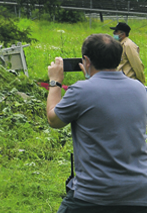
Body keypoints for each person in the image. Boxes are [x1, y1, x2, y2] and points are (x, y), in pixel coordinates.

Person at [47, 34, 147, 212]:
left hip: (94, 194)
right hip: (139, 193)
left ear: (86, 60)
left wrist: (55, 83)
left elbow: (54, 120)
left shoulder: (81, 91)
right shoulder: (140, 89)